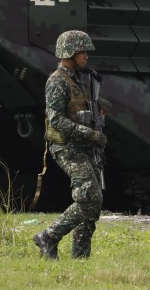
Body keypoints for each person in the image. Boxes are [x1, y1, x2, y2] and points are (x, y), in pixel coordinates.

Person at [33, 30, 106, 260]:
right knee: (89, 197)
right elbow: (55, 119)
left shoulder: (79, 80)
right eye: (82, 52)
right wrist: (88, 133)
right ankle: (48, 236)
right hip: (67, 147)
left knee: (94, 204)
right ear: (69, 53)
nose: (86, 56)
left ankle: (80, 257)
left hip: (83, 147)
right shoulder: (57, 81)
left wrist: (99, 106)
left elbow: (79, 109)